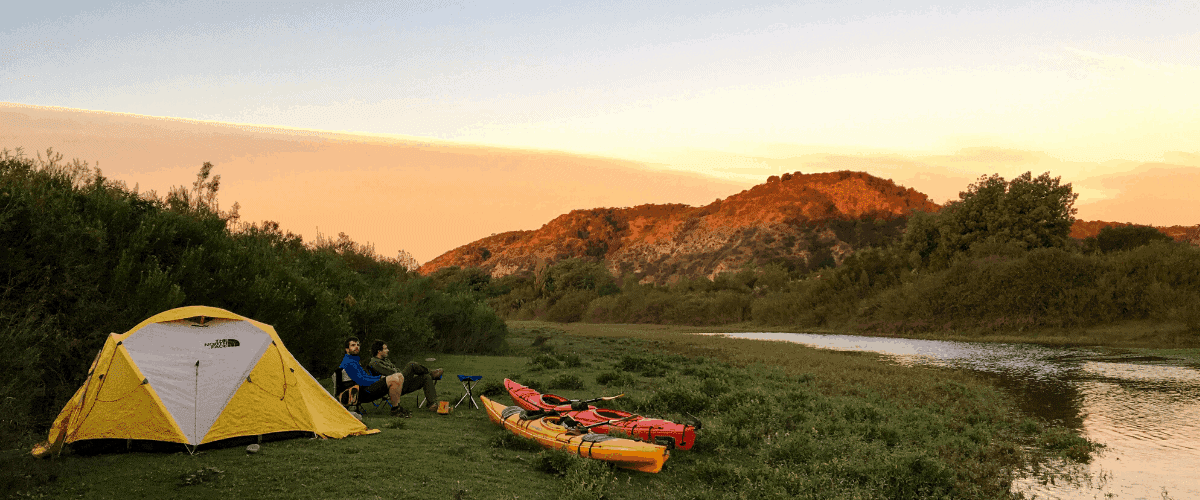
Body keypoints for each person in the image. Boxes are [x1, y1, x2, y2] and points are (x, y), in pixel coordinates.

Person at [340, 337, 410, 417]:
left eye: (358, 345)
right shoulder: (348, 363)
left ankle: (397, 407)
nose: (356, 347)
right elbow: (362, 380)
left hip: (363, 389)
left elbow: (364, 377)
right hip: (360, 393)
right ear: (347, 349)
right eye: (353, 345)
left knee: (399, 375)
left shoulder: (354, 360)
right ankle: (395, 409)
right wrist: (380, 378)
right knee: (394, 379)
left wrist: (380, 378)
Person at [366, 340, 443, 412]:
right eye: (385, 349)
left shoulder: (385, 360)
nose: (388, 350)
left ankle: (432, 404)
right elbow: (391, 373)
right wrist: (400, 372)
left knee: (426, 377)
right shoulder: (375, 363)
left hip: (400, 383)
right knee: (411, 365)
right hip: (392, 387)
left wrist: (399, 371)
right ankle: (432, 373)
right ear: (379, 351)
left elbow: (395, 370)